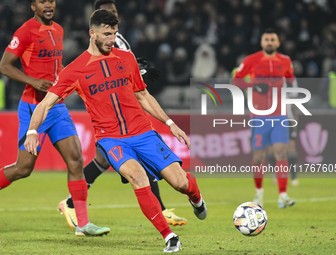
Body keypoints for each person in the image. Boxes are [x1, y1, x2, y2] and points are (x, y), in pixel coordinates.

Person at [25, 9, 207, 252]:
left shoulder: (126, 59)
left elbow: (143, 96)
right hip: (111, 139)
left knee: (180, 182)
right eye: (107, 34)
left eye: (115, 33)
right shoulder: (74, 70)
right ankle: (169, 237)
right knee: (138, 178)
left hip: (143, 133)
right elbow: (45, 104)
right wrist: (32, 132)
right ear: (92, 33)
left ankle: (196, 197)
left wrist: (170, 123)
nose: (112, 39)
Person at [58, 0, 187, 230]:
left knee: (103, 162)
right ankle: (71, 204)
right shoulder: (101, 41)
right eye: (108, 14)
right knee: (129, 163)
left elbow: (123, 67)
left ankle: (70, 203)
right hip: (111, 115)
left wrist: (141, 72)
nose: (113, 18)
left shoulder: (119, 39)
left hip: (123, 113)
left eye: (115, 14)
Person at [0, 0, 109, 236]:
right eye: (42, 1)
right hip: (33, 107)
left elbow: (55, 68)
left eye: (51, 0)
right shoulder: (25, 31)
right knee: (23, 169)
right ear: (33, 6)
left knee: (76, 160)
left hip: (56, 107)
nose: (48, 4)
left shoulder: (58, 29)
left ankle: (83, 224)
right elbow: (5, 66)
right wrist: (32, 81)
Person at [232, 28, 296, 209]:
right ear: (262, 42)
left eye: (272, 39)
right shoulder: (251, 60)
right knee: (259, 157)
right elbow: (236, 81)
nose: (269, 42)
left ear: (278, 43)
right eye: (266, 39)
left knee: (280, 152)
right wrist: (254, 85)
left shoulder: (285, 61)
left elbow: (291, 80)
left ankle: (283, 195)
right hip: (259, 116)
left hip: (279, 114)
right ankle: (259, 192)